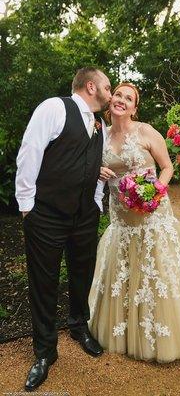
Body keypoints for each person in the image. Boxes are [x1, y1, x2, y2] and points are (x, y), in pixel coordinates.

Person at [89, 83, 180, 363]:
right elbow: (90, 167)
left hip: (152, 214)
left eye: (128, 98)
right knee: (125, 272)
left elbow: (167, 167)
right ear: (111, 102)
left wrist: (156, 190)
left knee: (156, 271)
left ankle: (163, 333)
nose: (121, 100)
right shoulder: (100, 137)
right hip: (121, 217)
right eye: (118, 95)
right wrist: (97, 169)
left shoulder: (146, 132)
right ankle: (127, 329)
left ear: (134, 108)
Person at [15, 67, 114, 391]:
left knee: (81, 273)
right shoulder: (55, 108)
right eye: (107, 86)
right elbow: (30, 152)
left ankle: (78, 326)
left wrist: (97, 202)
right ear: (91, 86)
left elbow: (93, 165)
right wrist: (27, 206)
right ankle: (45, 352)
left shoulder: (98, 124)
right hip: (47, 216)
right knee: (43, 283)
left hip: (85, 215)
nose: (110, 93)